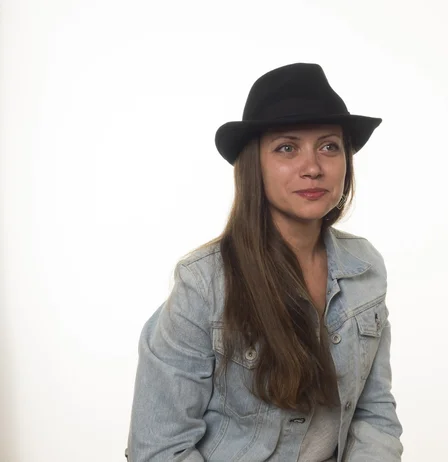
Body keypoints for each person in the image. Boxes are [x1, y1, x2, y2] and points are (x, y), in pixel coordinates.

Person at [126, 63, 403, 462]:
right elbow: (159, 449)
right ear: (254, 164)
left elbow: (373, 412)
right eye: (287, 148)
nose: (313, 167)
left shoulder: (364, 267)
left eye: (329, 146)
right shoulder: (203, 284)